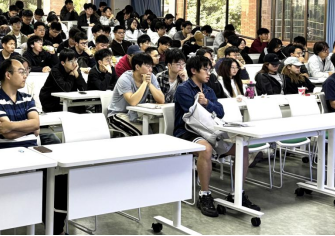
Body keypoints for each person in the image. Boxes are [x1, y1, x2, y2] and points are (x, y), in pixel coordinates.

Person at [0, 59, 69, 235]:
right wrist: (27, 128)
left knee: (62, 177)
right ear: (8, 75)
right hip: (9, 158)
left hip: (34, 154)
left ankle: (56, 229)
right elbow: (8, 135)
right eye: (21, 72)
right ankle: (54, 229)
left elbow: (36, 125)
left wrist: (11, 126)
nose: (25, 75)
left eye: (26, 71)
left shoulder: (27, 98)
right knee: (46, 180)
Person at [174, 55, 260, 217]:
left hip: (210, 131)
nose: (209, 73)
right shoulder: (183, 89)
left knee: (242, 148)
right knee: (205, 149)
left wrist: (207, 103)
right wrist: (203, 105)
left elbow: (220, 112)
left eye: (209, 70)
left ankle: (237, 193)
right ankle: (204, 195)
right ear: (193, 71)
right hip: (187, 132)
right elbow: (192, 114)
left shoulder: (208, 90)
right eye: (205, 70)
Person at [108, 53, 164, 136]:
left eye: (151, 66)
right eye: (148, 66)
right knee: (143, 133)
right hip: (118, 115)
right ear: (137, 67)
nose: (151, 69)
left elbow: (161, 100)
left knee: (160, 130)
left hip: (137, 114)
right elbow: (133, 102)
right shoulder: (125, 79)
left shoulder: (151, 76)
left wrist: (149, 84)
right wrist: (144, 83)